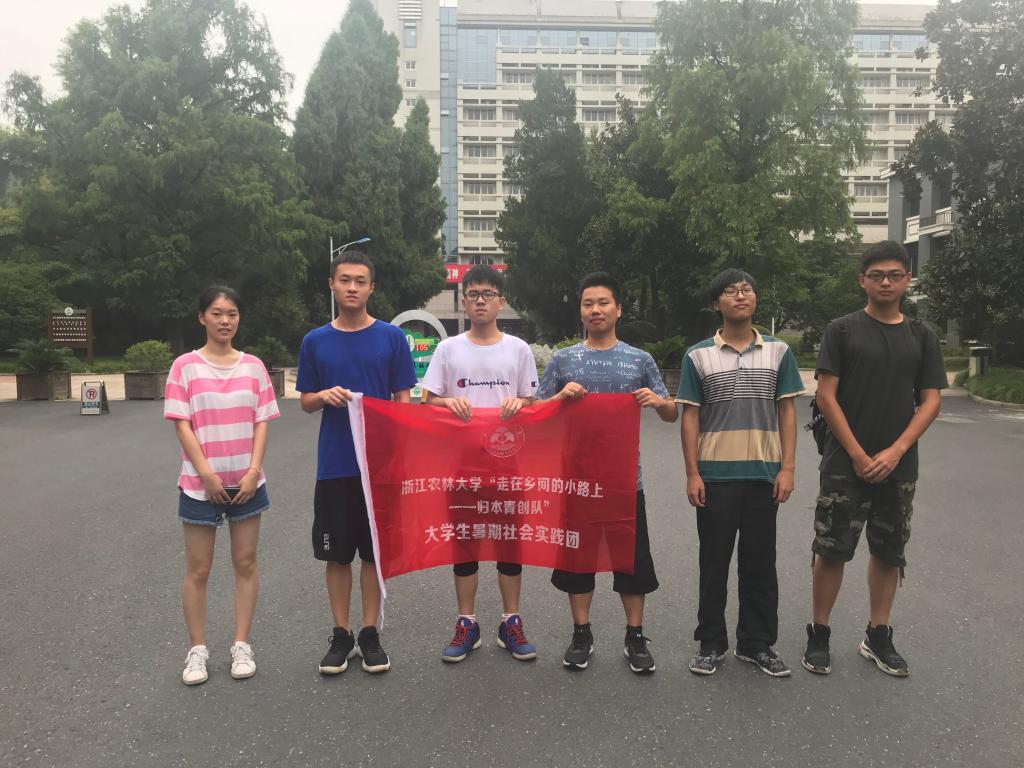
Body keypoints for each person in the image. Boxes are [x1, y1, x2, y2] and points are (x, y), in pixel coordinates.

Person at [803, 240, 945, 677]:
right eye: (877, 275)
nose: (886, 282)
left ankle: (877, 634)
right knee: (832, 549)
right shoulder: (842, 331)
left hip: (898, 465)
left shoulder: (921, 336)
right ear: (862, 280)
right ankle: (819, 632)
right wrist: (859, 454)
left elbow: (931, 400)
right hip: (844, 463)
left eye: (895, 275)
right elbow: (826, 397)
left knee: (889, 550)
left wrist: (896, 450)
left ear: (908, 280)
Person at [536, 271, 678, 674]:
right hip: (577, 480)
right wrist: (560, 396)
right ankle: (581, 633)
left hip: (624, 482)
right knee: (578, 561)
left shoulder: (639, 360)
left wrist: (658, 402)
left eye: (603, 303)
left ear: (618, 309)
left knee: (631, 563)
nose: (595, 310)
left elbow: (672, 413)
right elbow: (536, 411)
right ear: (581, 311)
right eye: (588, 303)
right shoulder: (564, 360)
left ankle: (635, 635)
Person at [678, 269, 803, 677]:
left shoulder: (779, 352)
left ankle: (757, 643)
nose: (740, 295)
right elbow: (690, 417)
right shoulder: (698, 356)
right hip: (715, 477)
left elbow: (787, 410)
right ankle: (711, 643)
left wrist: (787, 468)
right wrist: (692, 473)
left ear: (755, 298)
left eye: (747, 289)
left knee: (760, 564)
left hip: (763, 475)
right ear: (717, 304)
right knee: (713, 563)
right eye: (730, 292)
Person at [296, 251, 417, 675]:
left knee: (373, 554)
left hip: (379, 467)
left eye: (360, 281)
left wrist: (399, 452)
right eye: (344, 279)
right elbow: (305, 401)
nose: (352, 287)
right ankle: (341, 633)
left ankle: (369, 632)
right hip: (335, 464)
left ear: (371, 288)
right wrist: (322, 396)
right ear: (331, 284)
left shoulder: (391, 338)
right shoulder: (315, 341)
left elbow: (403, 400)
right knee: (336, 554)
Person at [420, 265, 539, 663]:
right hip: (462, 465)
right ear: (464, 302)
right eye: (473, 295)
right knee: (465, 542)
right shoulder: (448, 349)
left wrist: (520, 402)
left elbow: (532, 402)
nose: (480, 301)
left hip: (507, 463)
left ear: (501, 301)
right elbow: (428, 400)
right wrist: (447, 402)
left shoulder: (518, 349)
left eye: (488, 294)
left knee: (509, 543)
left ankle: (511, 622)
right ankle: (467, 623)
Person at [164, 285, 280, 685]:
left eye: (232, 314)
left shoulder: (254, 367)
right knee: (198, 569)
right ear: (202, 317)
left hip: (248, 482)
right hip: (200, 485)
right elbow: (182, 423)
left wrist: (253, 470)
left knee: (245, 563)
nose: (225, 321)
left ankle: (241, 644)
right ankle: (197, 649)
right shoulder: (185, 367)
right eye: (216, 313)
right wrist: (206, 474)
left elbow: (261, 422)